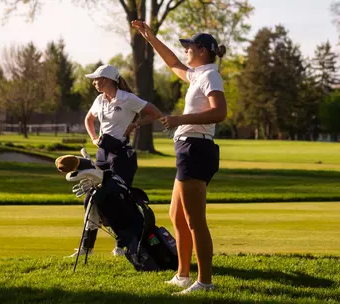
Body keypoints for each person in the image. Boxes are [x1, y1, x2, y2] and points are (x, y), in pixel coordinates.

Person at [131, 20, 227, 294]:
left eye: (189, 47)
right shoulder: (198, 74)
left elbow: (219, 112)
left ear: (203, 51)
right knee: (177, 215)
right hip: (188, 148)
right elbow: (172, 62)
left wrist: (178, 119)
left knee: (195, 220)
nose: (184, 50)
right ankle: (183, 274)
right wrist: (151, 38)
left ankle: (205, 282)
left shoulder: (210, 76)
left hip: (197, 149)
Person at [67, 64, 162, 258]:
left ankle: (122, 244)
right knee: (91, 199)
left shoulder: (127, 99)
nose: (94, 82)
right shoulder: (99, 100)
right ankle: (86, 248)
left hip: (122, 157)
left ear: (109, 80)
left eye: (97, 79)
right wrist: (94, 138)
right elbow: (88, 119)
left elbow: (155, 113)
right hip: (103, 154)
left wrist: (135, 124)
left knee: (116, 199)